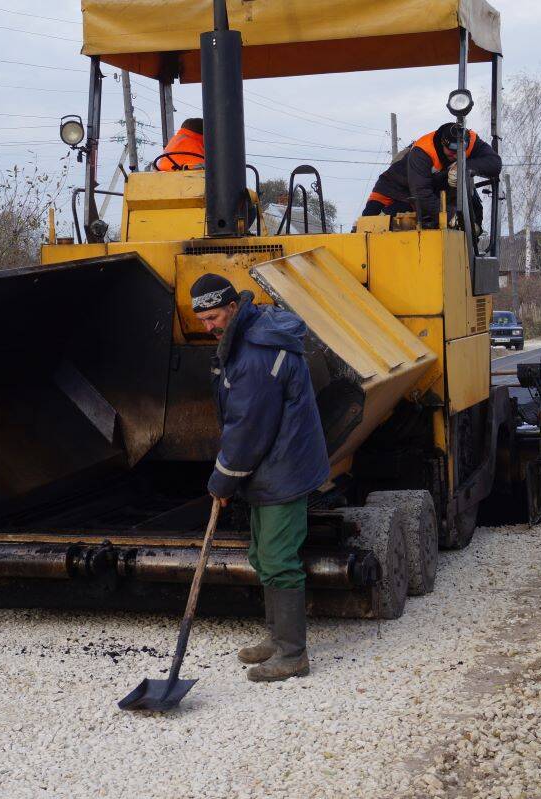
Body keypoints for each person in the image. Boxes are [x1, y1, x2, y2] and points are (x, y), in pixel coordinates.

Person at [189, 273, 330, 682]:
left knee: (279, 559)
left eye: (213, 317)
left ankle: (292, 654)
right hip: (273, 464)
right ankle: (277, 638)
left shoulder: (255, 354)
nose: (208, 326)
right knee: (263, 556)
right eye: (202, 320)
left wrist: (222, 480)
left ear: (233, 308)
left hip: (283, 468)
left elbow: (247, 428)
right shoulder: (251, 332)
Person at [363, 122, 502, 230]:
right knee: (368, 226)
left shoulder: (470, 140)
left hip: (426, 193)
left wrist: (464, 167)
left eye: (460, 151)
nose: (456, 156)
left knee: (468, 206)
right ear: (442, 143)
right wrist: (451, 216)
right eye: (451, 151)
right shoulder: (423, 151)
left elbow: (495, 164)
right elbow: (421, 194)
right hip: (393, 189)